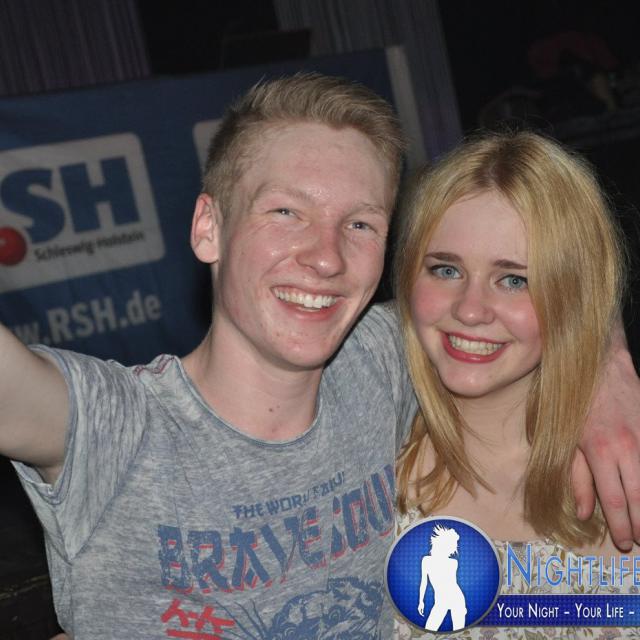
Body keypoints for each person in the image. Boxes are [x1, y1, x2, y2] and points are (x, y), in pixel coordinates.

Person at [1, 74, 639, 639]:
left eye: (359, 224)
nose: (326, 257)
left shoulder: (382, 364)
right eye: (286, 211)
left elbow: (544, 284)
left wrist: (605, 364)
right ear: (208, 227)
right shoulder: (116, 425)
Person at [393, 130, 636, 638]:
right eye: (445, 269)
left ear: (570, 295)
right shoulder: (362, 483)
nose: (470, 310)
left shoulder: (626, 469)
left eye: (514, 280)